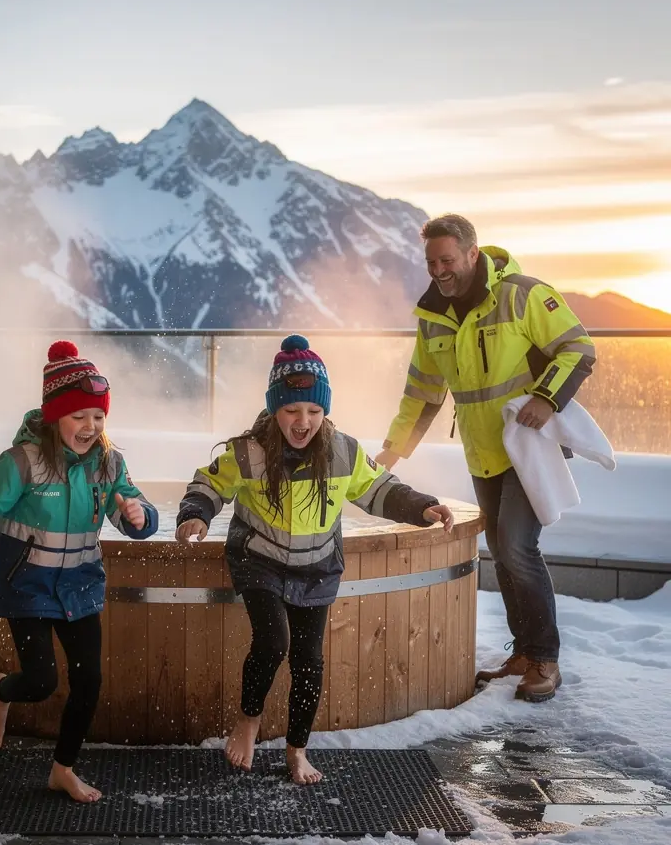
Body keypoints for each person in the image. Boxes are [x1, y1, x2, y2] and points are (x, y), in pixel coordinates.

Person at [175, 335, 452, 785]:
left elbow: (381, 490)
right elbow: (209, 485)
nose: (303, 422)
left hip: (318, 565)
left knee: (309, 659)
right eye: (292, 411)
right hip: (259, 559)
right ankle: (248, 721)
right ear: (274, 410)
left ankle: (297, 751)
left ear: (325, 412)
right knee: (274, 642)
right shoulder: (250, 452)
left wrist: (423, 506)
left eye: (314, 412)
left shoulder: (342, 451)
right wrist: (195, 516)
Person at [376, 214, 596, 703]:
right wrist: (394, 449)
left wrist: (546, 398)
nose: (439, 270)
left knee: (518, 547)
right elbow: (423, 390)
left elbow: (578, 347)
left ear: (473, 254)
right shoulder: (433, 314)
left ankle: (545, 659)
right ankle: (522, 652)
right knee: (500, 550)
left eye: (448, 260)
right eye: (431, 262)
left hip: (530, 447)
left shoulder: (523, 294)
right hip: (482, 453)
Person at [0, 341, 159, 803]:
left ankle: (63, 768)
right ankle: (1, 691)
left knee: (89, 682)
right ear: (56, 415)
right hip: (29, 586)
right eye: (79, 416)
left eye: (97, 417)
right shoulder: (22, 461)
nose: (90, 426)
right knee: (40, 682)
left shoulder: (109, 462)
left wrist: (140, 517)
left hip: (80, 586)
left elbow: (130, 509)